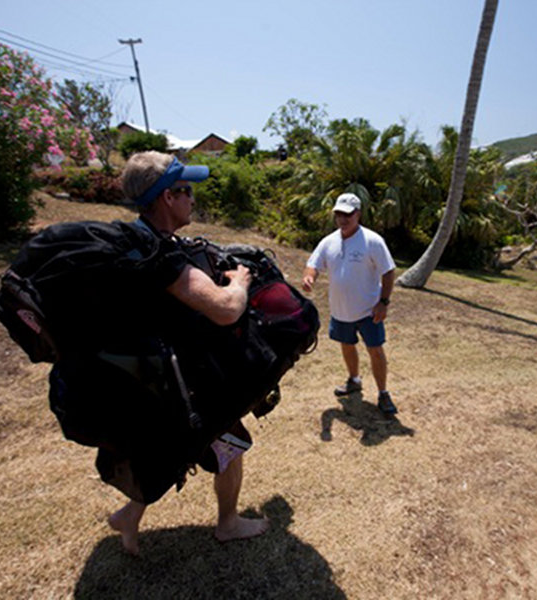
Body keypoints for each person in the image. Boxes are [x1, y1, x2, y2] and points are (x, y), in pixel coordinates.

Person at [108, 151, 269, 554]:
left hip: (149, 374)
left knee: (172, 449)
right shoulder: (160, 254)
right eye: (187, 191)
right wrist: (241, 282)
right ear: (167, 197)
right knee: (228, 444)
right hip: (179, 381)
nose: (193, 199)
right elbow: (226, 308)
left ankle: (129, 516)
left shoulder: (136, 241)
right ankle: (228, 523)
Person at [302, 193, 398, 415]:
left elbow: (388, 271)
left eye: (347, 214)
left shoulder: (372, 241)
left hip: (368, 310)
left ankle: (383, 394)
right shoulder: (328, 242)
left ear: (358, 214)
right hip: (340, 310)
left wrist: (383, 302)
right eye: (338, 214)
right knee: (347, 345)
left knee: (375, 350)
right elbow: (313, 264)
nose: (342, 219)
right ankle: (354, 380)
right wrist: (310, 277)